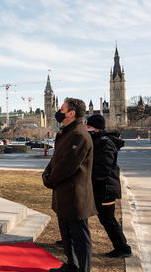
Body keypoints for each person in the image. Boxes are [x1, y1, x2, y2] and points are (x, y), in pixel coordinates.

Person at [42, 98, 97, 272]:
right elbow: (56, 159)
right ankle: (72, 265)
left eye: (62, 109)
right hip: (64, 193)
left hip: (75, 195)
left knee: (80, 236)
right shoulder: (66, 132)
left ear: (71, 113)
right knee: (67, 234)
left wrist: (49, 179)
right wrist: (47, 172)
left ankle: (82, 268)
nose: (59, 111)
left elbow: (67, 166)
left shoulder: (79, 135)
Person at [86, 114, 132, 258]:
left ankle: (123, 248)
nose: (86, 129)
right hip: (101, 187)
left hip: (106, 188)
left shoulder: (105, 143)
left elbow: (102, 168)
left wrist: (90, 181)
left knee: (108, 219)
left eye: (89, 126)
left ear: (97, 128)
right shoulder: (97, 140)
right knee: (105, 218)